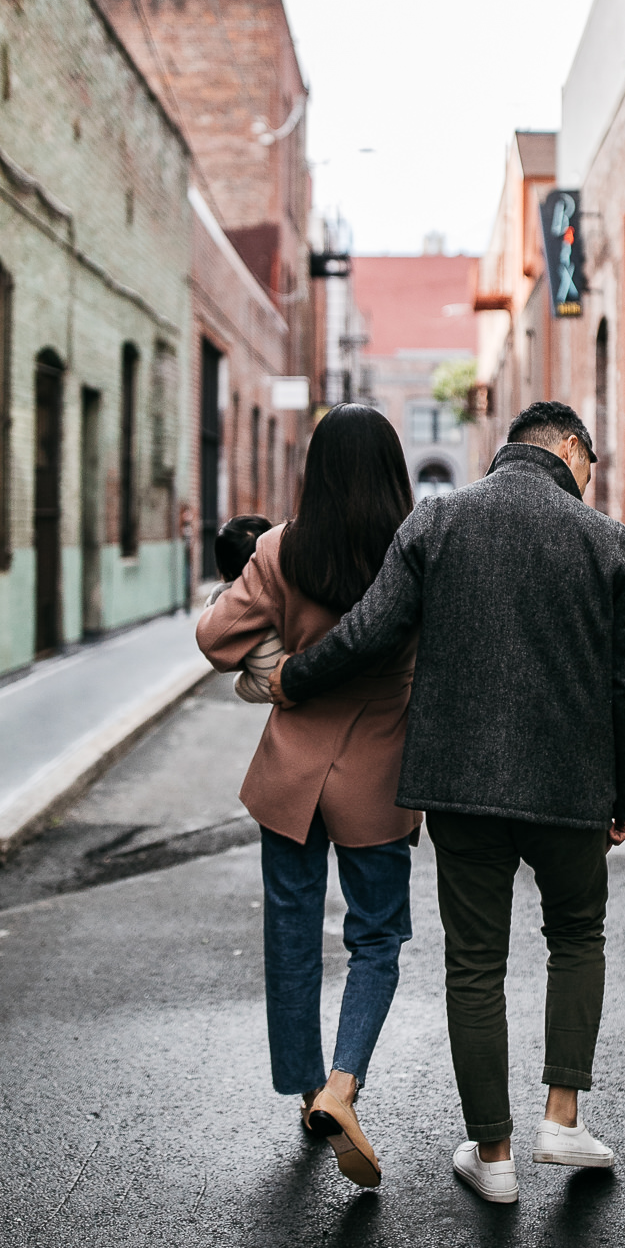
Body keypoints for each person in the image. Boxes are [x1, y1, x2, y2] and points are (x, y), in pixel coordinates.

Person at [271, 399, 625, 1205]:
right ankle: (562, 1117)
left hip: (461, 789)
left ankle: (495, 1156)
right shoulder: (606, 540)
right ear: (571, 448)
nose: (591, 479)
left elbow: (370, 632)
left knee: (475, 964)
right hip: (572, 789)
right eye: (591, 464)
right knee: (576, 936)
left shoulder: (438, 522)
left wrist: (293, 677)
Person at [196, 404, 419, 1189]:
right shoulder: (414, 548)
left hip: (290, 774)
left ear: (314, 470)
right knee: (377, 937)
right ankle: (341, 1088)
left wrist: (273, 649)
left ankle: (304, 1089)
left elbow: (214, 639)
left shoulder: (281, 549)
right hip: (379, 777)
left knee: (292, 931)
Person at [204, 515, 283, 702]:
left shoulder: (223, 594)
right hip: (289, 666)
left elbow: (209, 617)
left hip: (266, 683)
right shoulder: (280, 584)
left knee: (239, 685)